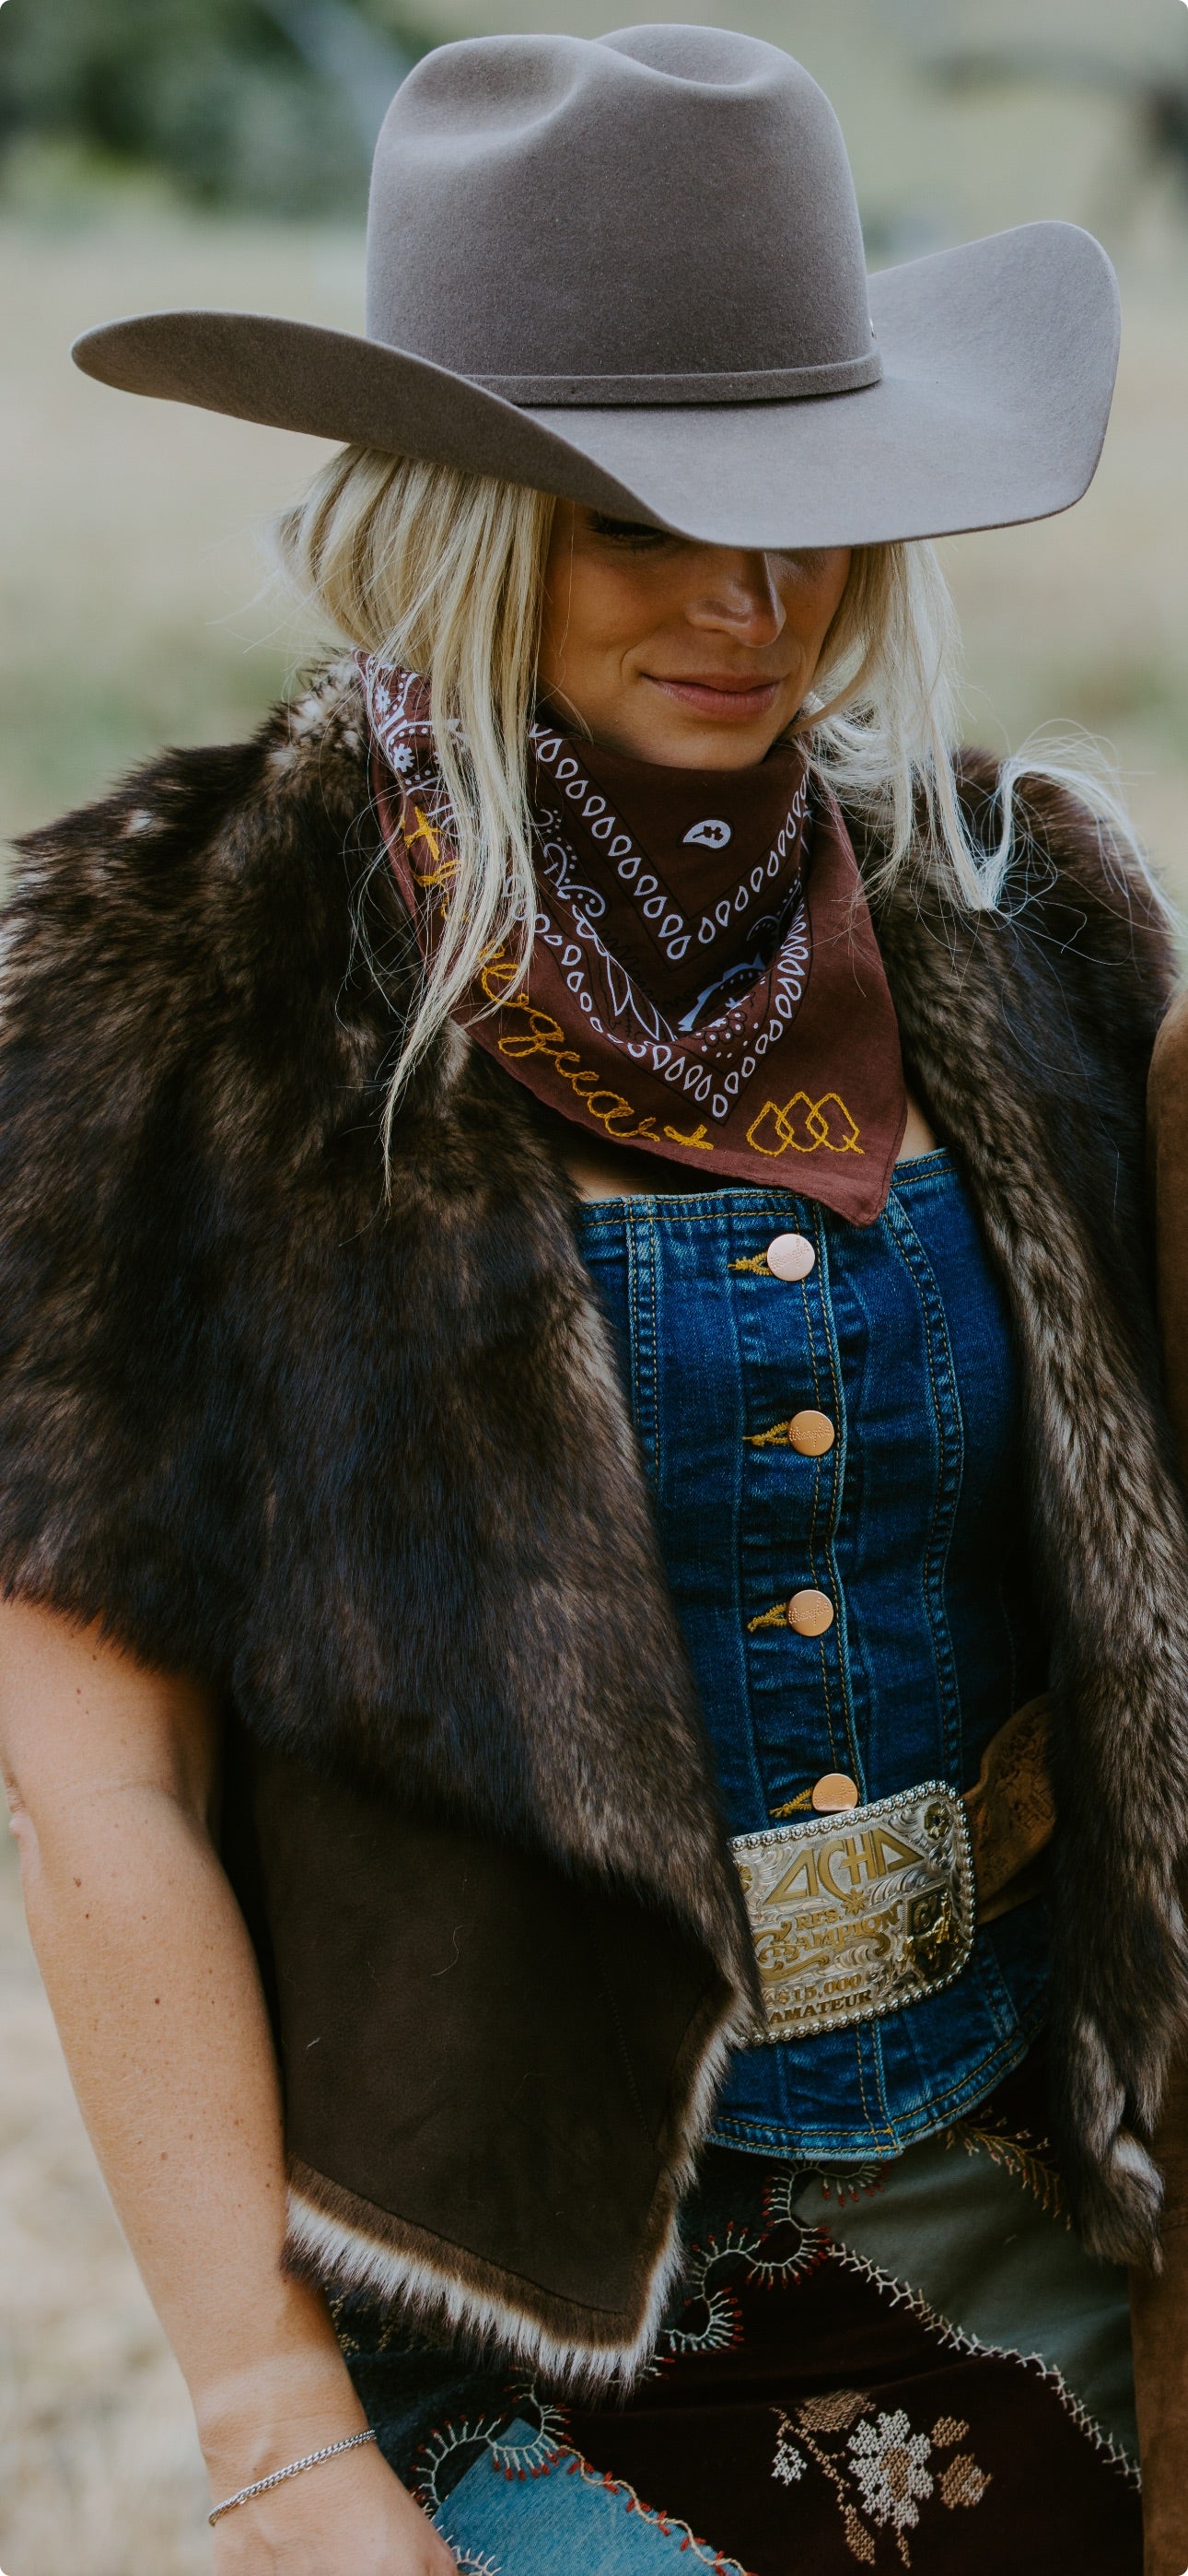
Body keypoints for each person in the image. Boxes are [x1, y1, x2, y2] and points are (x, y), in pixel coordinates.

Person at [2, 25, 1186, 2574]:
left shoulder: (1030, 933)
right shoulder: (173, 1002)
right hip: (506, 2294)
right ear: (458, 509)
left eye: (808, 513)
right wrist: (269, 2437)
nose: (750, 602)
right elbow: (93, 1785)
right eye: (646, 514)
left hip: (1022, 2208)